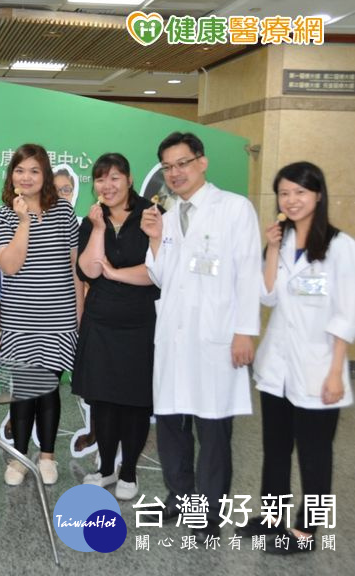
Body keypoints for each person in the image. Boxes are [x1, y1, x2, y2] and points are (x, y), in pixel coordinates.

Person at [140, 131, 261, 542]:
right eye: (168, 167)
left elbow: (248, 274)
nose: (175, 173)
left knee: (212, 429)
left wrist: (244, 332)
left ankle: (209, 512)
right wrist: (154, 239)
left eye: (183, 163)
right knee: (171, 424)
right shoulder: (169, 214)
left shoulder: (234, 208)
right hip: (174, 337)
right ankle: (180, 496)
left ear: (202, 162)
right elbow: (161, 276)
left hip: (216, 337)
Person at [237, 162, 355, 554]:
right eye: (284, 193)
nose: (291, 200)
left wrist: (336, 372)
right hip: (277, 366)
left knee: (315, 455)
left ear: (318, 195)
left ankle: (305, 533)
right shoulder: (282, 240)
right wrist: (271, 248)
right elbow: (267, 295)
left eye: (300, 192)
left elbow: (346, 314)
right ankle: (272, 517)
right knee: (275, 449)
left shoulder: (341, 246)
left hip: (319, 367)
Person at [0, 143, 82, 486]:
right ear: (11, 175)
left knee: (48, 390)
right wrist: (24, 221)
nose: (26, 177)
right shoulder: (3, 215)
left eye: (34, 171)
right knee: (22, 390)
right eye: (20, 170)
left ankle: (47, 456)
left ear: (45, 175)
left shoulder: (63, 212)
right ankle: (18, 457)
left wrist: (79, 315)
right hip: (19, 319)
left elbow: (75, 268)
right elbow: (10, 265)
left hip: (58, 318)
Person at [72, 153, 161, 501]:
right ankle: (106, 467)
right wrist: (97, 229)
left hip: (141, 322)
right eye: (100, 179)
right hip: (101, 321)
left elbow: (157, 271)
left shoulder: (152, 215)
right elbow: (89, 271)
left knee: (135, 401)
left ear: (129, 179)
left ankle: (129, 471)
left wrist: (116, 273)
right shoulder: (92, 220)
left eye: (114, 178)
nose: (107, 186)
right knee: (104, 400)